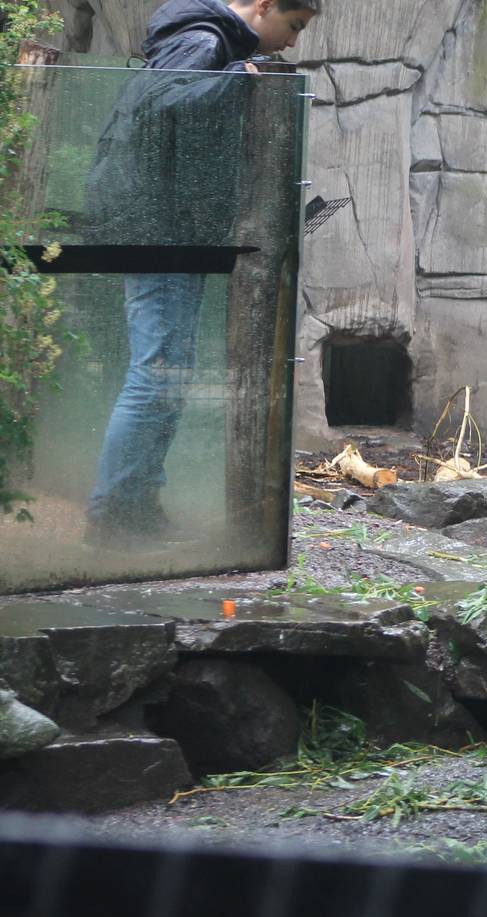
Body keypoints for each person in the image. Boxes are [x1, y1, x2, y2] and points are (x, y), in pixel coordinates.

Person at [81, 0, 318, 549]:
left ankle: (136, 506)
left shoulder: (211, 43)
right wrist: (235, 77)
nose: (292, 41)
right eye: (293, 26)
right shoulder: (205, 43)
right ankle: (112, 516)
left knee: (165, 377)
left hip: (168, 228)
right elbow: (159, 107)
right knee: (155, 376)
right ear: (264, 6)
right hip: (159, 230)